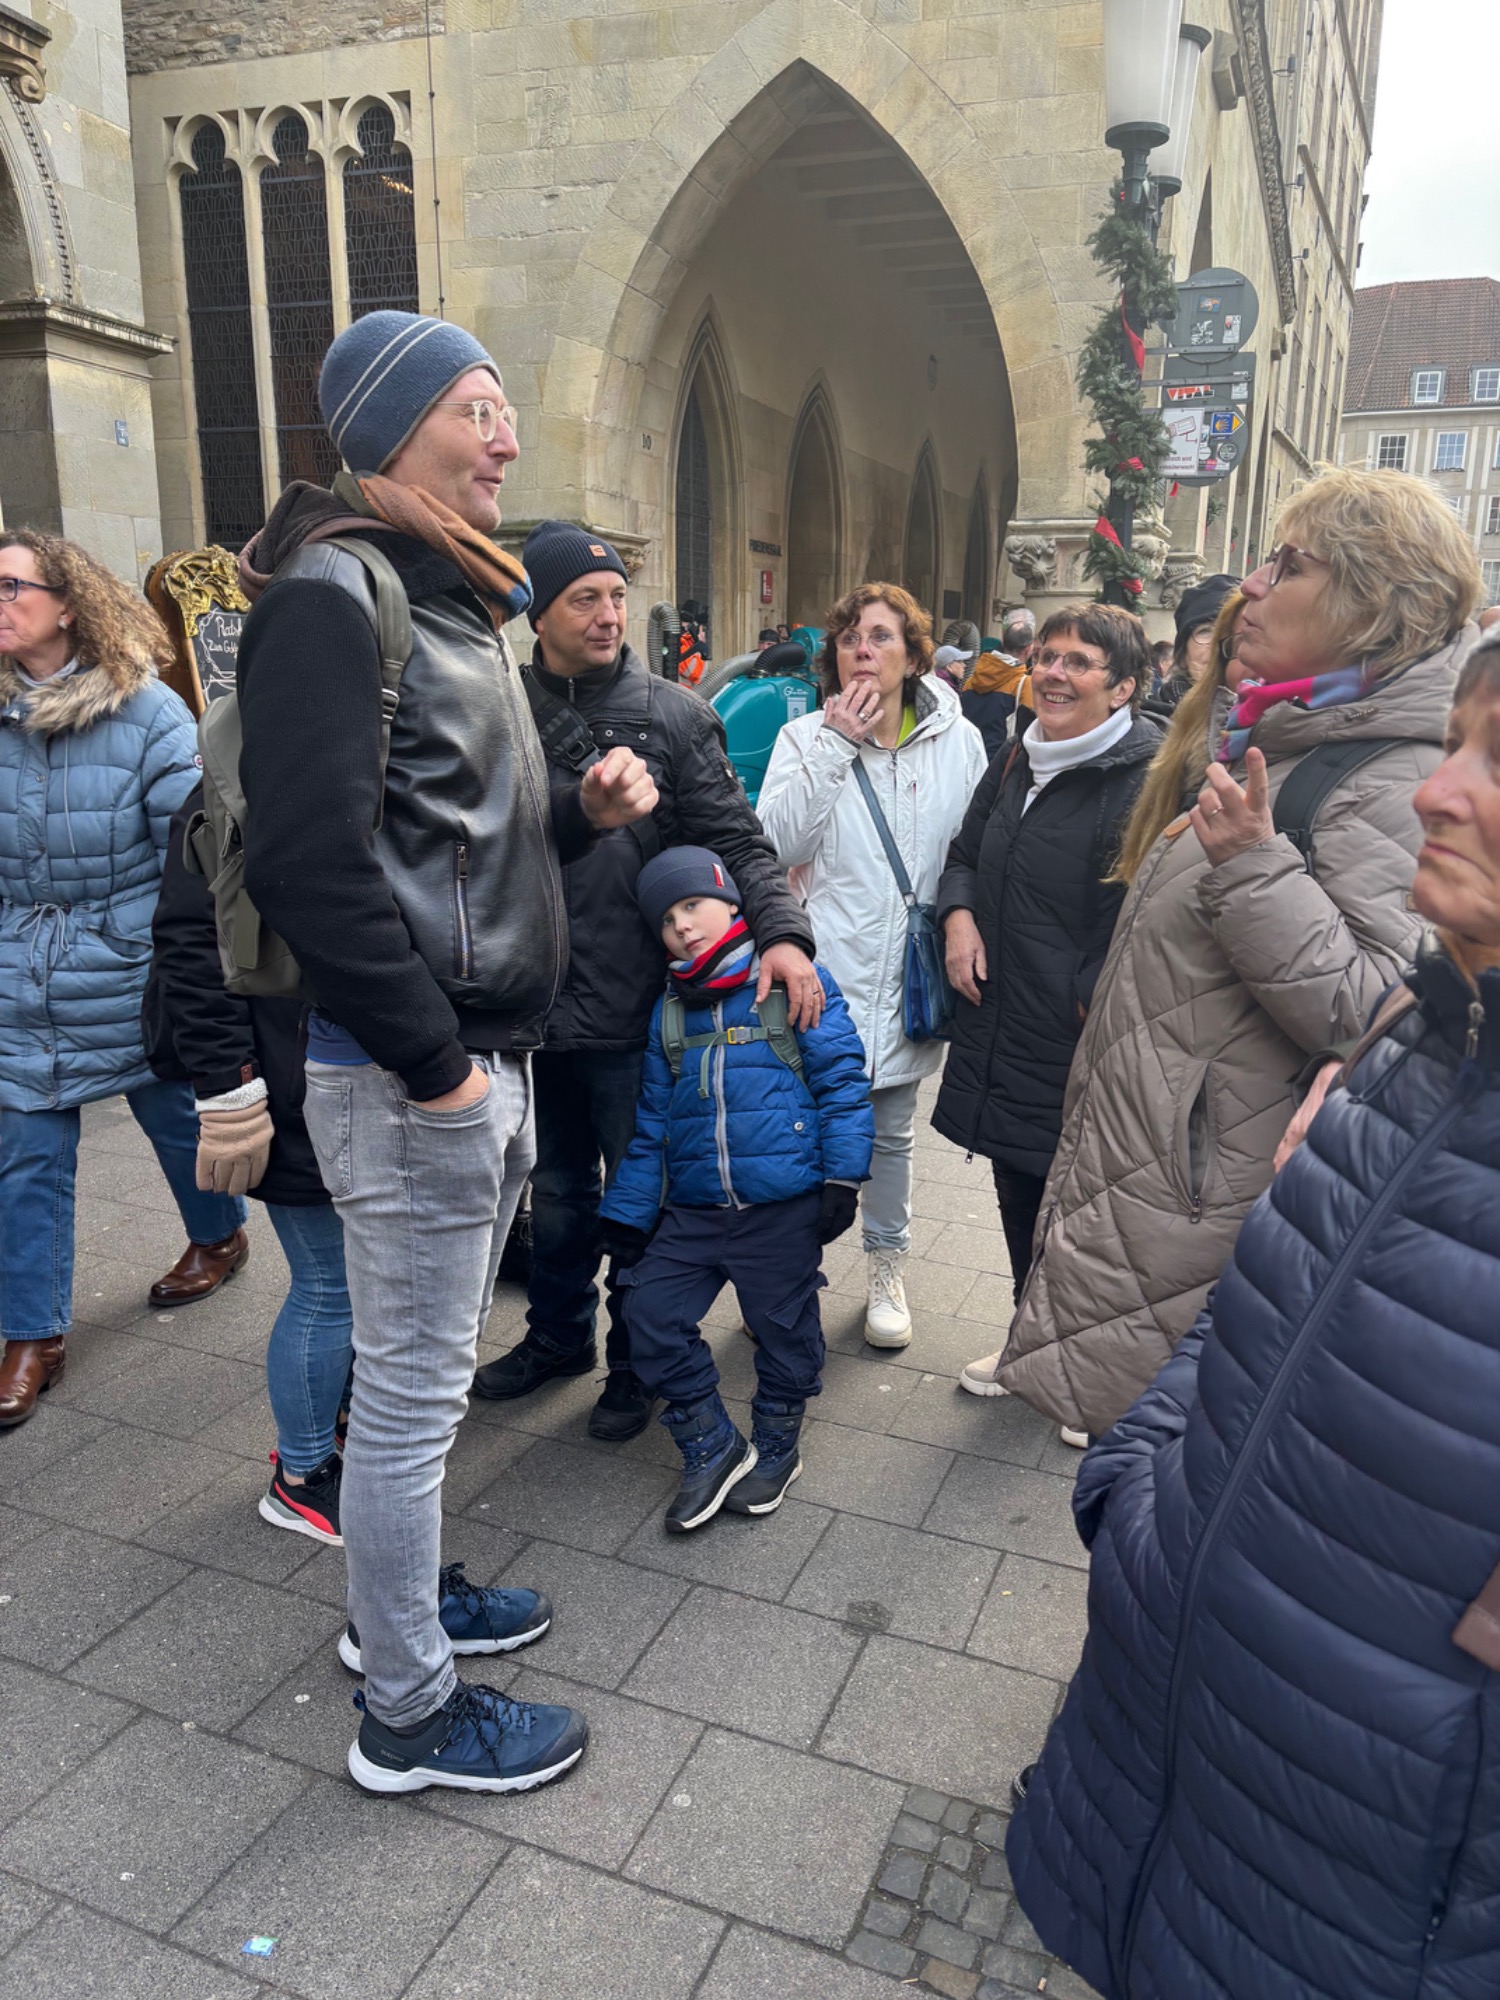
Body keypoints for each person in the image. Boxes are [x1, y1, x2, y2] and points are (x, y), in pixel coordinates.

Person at [1007, 624, 1500, 2000]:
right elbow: (1262, 1304)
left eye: (1496, 762)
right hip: (1178, 1762)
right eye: (1455, 743)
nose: (1439, 790)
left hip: (1362, 1878)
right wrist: (1146, 1493)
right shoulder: (1422, 1045)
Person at [234, 309, 658, 1797]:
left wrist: (578, 815)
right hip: (414, 1072)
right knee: (413, 1405)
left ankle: (397, 1610)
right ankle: (407, 1714)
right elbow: (308, 865)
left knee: (421, 1391)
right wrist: (441, 1071)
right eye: (479, 409)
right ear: (393, 428)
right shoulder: (331, 596)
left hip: (476, 1056)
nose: (508, 440)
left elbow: (453, 847)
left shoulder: (454, 597)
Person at [995, 466, 1483, 1443]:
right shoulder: (1290, 732)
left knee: (1175, 1470)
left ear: (1369, 602)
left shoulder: (1398, 772)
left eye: (1289, 565)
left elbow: (1386, 1017)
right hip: (1169, 1179)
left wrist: (1255, 870)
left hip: (1218, 1201)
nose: (1252, 586)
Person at [471, 520, 817, 1442]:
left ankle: (637, 1361)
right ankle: (557, 1338)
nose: (608, 614)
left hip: (639, 1012)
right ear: (538, 614)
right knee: (556, 1193)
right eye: (584, 598)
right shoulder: (496, 704)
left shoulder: (674, 714)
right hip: (531, 1006)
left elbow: (739, 841)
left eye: (618, 596)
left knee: (641, 1198)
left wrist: (784, 934)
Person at [0, 532, 248, 1429]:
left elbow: (189, 855)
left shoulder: (149, 714)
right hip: (18, 968)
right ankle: (31, 1336)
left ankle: (219, 1233)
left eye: (10, 586)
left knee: (174, 1117)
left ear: (69, 603)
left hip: (127, 963)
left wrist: (169, 963)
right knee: (25, 1149)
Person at [932, 605, 1160, 1433]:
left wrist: (1088, 993)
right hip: (1006, 1019)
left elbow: (1147, 909)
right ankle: (1031, 1343)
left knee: (1093, 1205)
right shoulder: (1016, 757)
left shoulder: (1146, 776)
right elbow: (964, 856)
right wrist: (959, 919)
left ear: (1123, 687)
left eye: (1080, 662)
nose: (1055, 674)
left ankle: (1095, 1377)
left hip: (1086, 1030)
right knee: (1020, 1181)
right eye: (1048, 657)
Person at [599, 847, 873, 1530]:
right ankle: (712, 1441)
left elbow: (842, 1083)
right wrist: (628, 1212)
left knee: (785, 1329)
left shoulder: (793, 982)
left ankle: (777, 1442)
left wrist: (842, 1177)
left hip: (780, 1207)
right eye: (667, 920)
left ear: (729, 901)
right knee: (648, 1314)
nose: (682, 926)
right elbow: (652, 1123)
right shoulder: (669, 1011)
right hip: (694, 1209)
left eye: (693, 905)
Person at [759, 583, 987, 1349]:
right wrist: (834, 744)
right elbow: (776, 845)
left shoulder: (958, 740)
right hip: (823, 976)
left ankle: (886, 1269)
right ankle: (787, 1276)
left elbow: (972, 852)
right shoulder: (803, 738)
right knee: (800, 1134)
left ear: (914, 656)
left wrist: (962, 922)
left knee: (890, 1135)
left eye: (882, 637)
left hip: (908, 977)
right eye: (850, 637)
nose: (863, 650)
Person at [145, 782, 353, 1544]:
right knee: (329, 1285)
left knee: (354, 1282)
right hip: (282, 1074)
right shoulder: (232, 782)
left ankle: (337, 1423)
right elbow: (190, 945)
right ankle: (302, 1475)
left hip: (340, 1066)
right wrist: (229, 1092)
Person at [1144, 571, 1238, 719]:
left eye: (1230, 631)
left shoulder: (1267, 721)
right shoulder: (1153, 720)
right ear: (1182, 655)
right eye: (1205, 631)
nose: (1217, 643)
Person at [960, 633, 1029, 762]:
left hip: (967, 759)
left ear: (1002, 644)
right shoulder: (1024, 684)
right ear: (1028, 649)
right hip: (999, 765)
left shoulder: (970, 682)